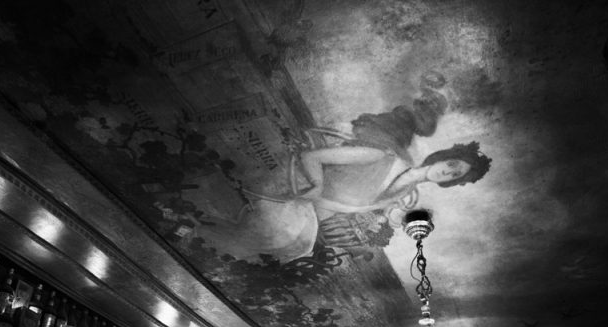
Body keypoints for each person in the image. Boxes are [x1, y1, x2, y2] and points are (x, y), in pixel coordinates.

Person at [194, 86, 491, 264]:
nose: (448, 171)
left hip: (306, 211)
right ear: (443, 157)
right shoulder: (385, 157)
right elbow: (312, 158)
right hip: (289, 187)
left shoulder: (404, 196)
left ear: (450, 182)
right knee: (279, 235)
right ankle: (197, 233)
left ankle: (199, 238)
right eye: (453, 163)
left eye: (455, 175)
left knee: (296, 245)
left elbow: (347, 209)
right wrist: (316, 187)